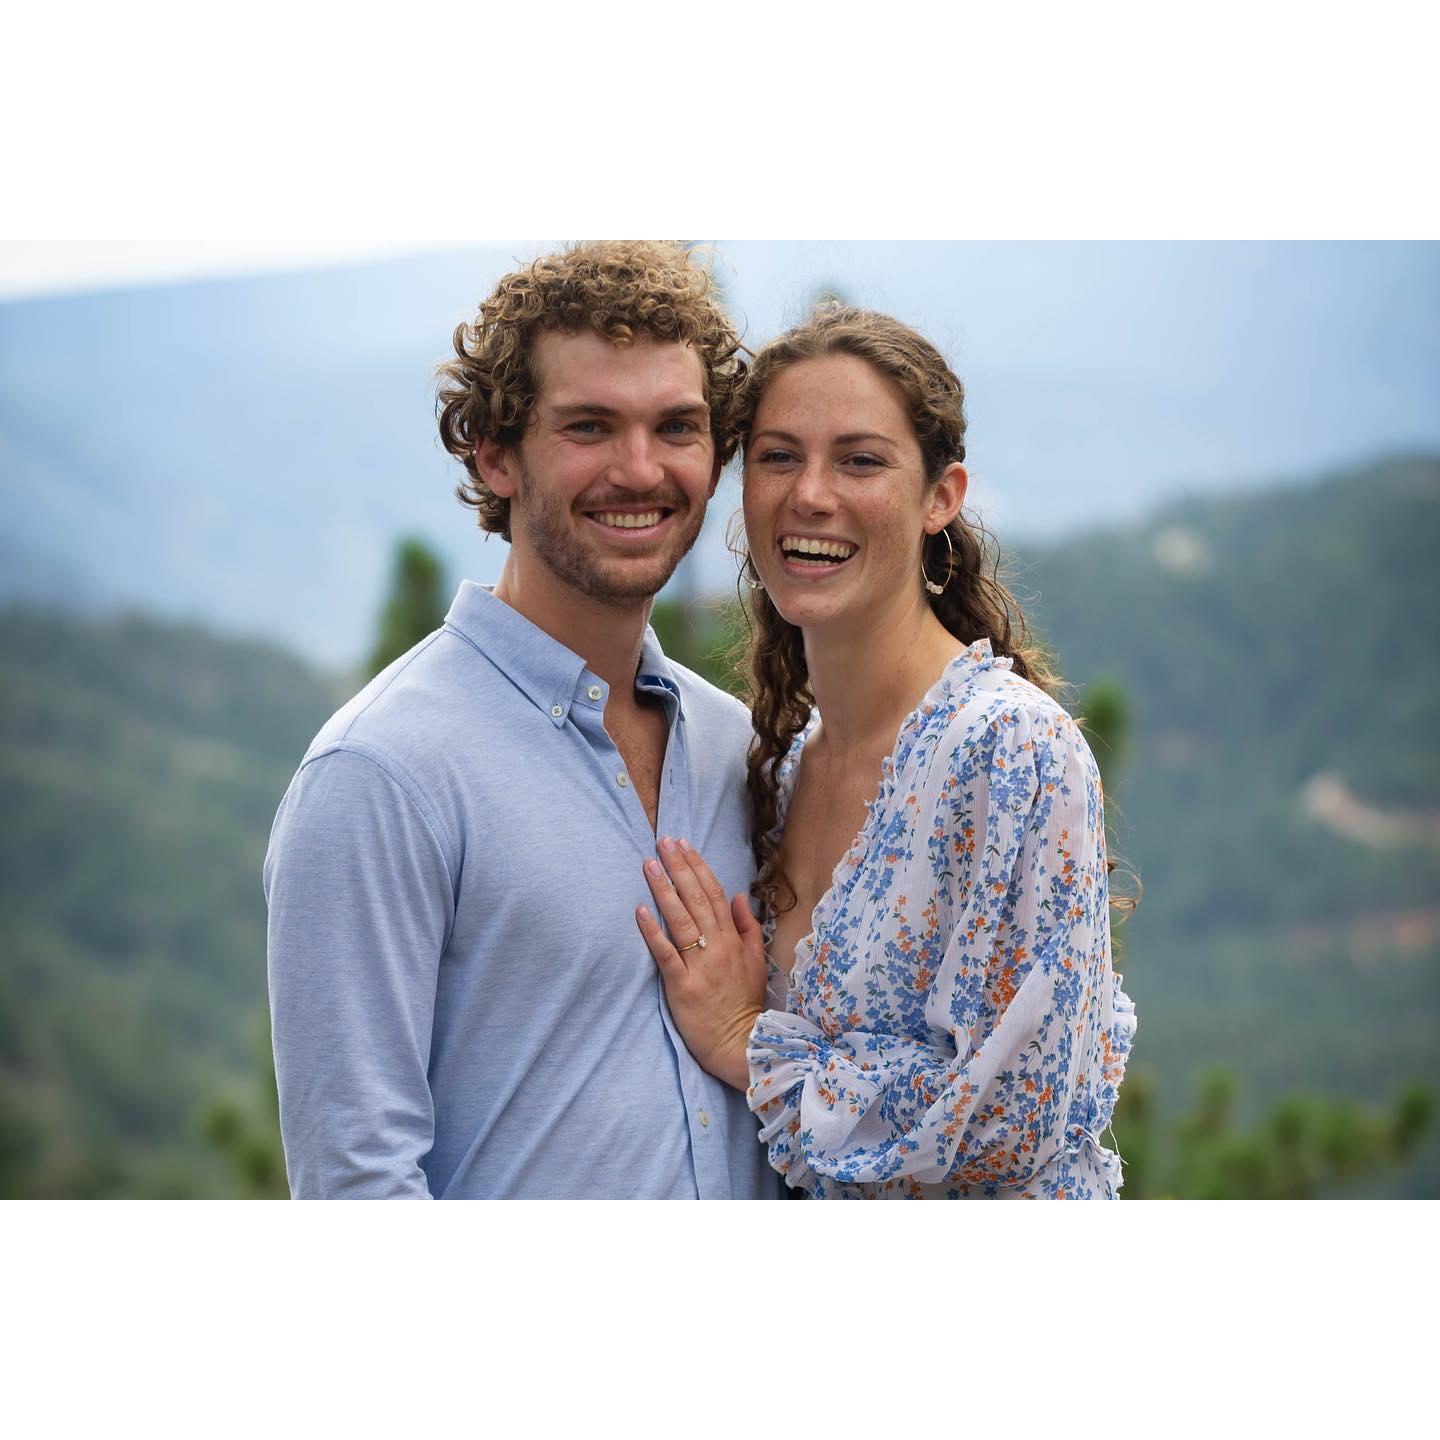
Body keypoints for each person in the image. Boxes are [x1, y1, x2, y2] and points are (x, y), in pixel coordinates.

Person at [264, 240, 781, 1199]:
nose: (641, 469)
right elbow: (356, 1187)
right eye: (590, 426)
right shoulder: (381, 774)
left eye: (678, 426)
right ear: (495, 454)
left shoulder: (735, 749)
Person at [637, 305, 1137, 1198]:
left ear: (941, 496)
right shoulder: (784, 769)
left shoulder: (1009, 749)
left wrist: (748, 1043)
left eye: (861, 459)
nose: (810, 494)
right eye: (778, 455)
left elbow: (1012, 1120)